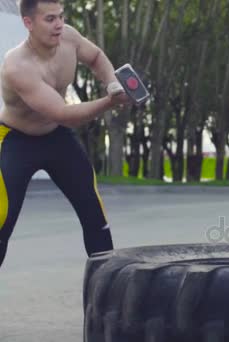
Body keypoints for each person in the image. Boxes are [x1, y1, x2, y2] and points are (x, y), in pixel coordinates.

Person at [0, 0, 130, 269]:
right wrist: (111, 101)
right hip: (14, 140)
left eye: (61, 16)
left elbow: (95, 57)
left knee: (95, 215)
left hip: (56, 138)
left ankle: (105, 300)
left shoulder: (69, 37)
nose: (59, 24)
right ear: (28, 23)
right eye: (50, 19)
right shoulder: (16, 66)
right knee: (2, 221)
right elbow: (62, 113)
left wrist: (113, 84)